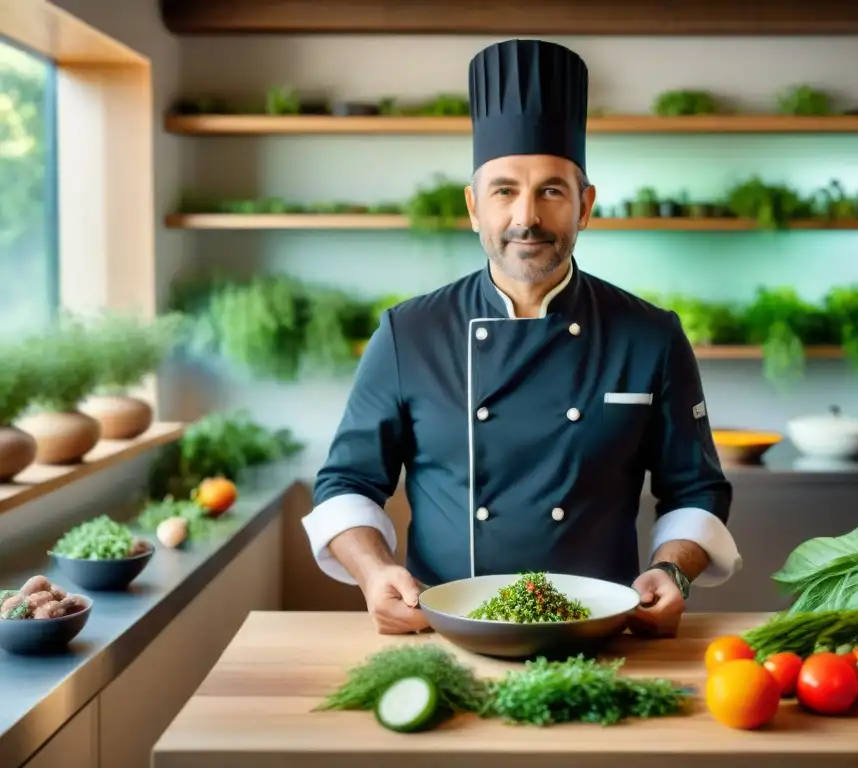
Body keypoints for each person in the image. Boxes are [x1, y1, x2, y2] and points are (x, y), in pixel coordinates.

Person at [304, 39, 740, 637]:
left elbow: (695, 489)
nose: (526, 217)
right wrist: (375, 571)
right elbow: (346, 483)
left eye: (552, 191)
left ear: (585, 205)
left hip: (601, 635)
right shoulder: (409, 333)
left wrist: (674, 570)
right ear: (474, 207)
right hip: (441, 632)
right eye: (505, 190)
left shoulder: (651, 335)